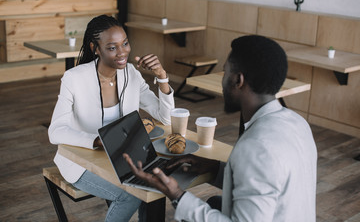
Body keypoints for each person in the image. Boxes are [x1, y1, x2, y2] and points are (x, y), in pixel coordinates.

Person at [124, 35, 318, 221]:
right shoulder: (298, 122)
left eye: (225, 72)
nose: (223, 79)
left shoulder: (255, 147)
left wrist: (176, 194)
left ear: (238, 80)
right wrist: (215, 168)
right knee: (215, 203)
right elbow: (266, 183)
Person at [48, 14, 175, 221]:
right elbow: (55, 132)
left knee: (155, 186)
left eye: (125, 43)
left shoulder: (132, 74)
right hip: (81, 162)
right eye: (112, 47)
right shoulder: (74, 78)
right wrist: (97, 141)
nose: (122, 52)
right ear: (94, 48)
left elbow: (165, 117)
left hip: (122, 158)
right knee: (130, 198)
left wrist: (161, 76)